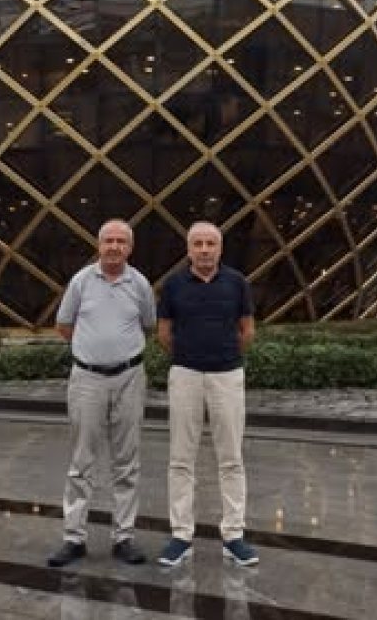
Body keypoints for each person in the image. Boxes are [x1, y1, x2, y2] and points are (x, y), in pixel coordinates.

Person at [47, 219, 156, 568]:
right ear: (98, 245)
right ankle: (74, 538)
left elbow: (148, 325)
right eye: (108, 240)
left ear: (130, 247)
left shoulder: (140, 284)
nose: (114, 247)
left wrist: (118, 351)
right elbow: (64, 325)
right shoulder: (81, 281)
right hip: (87, 380)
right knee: (81, 460)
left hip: (129, 378)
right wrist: (92, 350)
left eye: (121, 241)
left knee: (127, 461)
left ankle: (124, 537)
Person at [157, 221, 258, 567]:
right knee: (180, 458)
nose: (204, 250)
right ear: (188, 249)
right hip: (185, 375)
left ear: (220, 248)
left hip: (227, 375)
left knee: (231, 458)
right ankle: (181, 535)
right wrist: (190, 356)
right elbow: (164, 333)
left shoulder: (237, 283)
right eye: (197, 244)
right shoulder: (173, 285)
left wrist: (223, 356)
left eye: (210, 243)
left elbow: (247, 330)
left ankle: (234, 535)